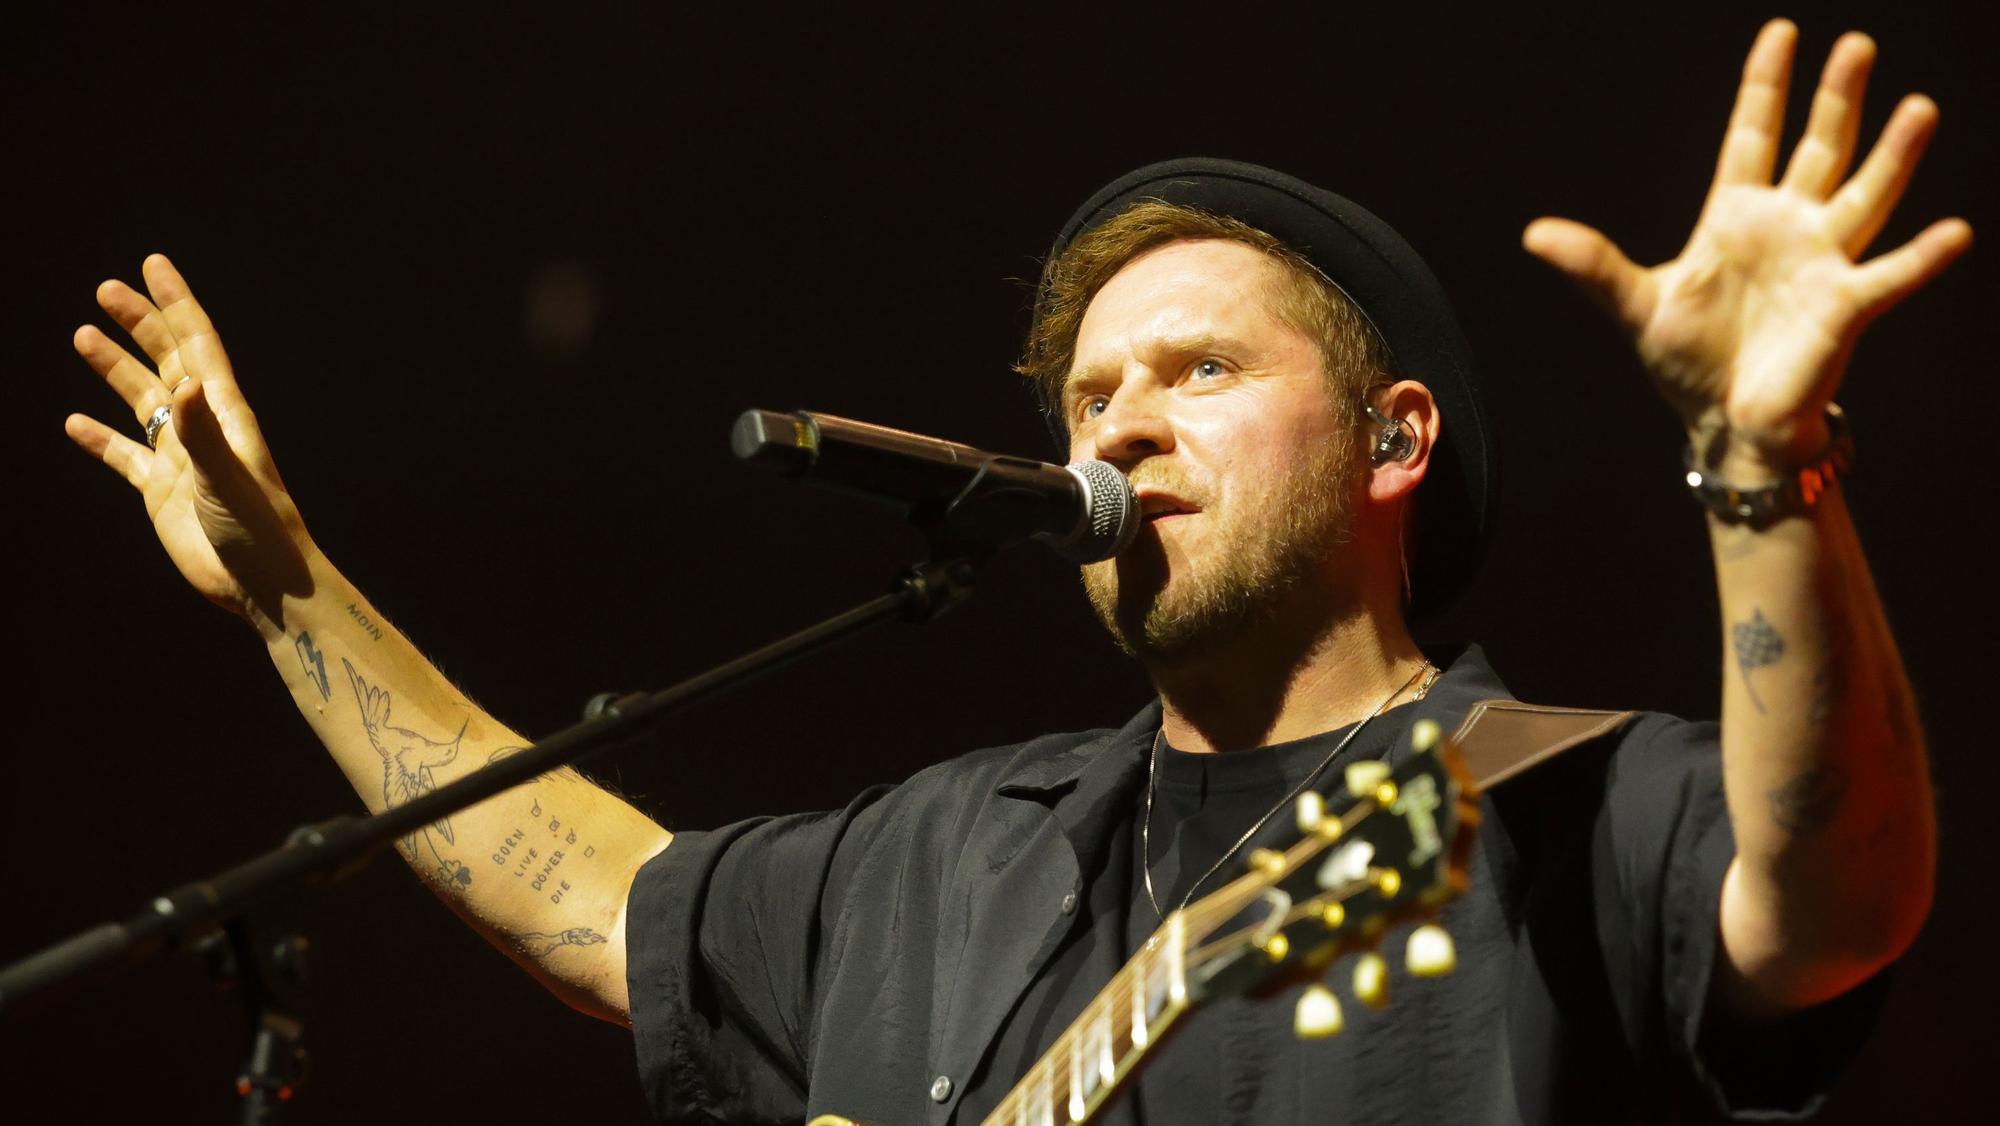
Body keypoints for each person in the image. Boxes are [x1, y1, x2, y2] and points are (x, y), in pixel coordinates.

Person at [61, 19, 1965, 1125]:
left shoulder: (1563, 807)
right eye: (1091, 391)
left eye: (1202, 371)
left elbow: (1839, 896)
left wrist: (1758, 455)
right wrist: (287, 587)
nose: (1118, 426)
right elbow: (594, 902)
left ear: (1394, 441)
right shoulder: (952, 857)